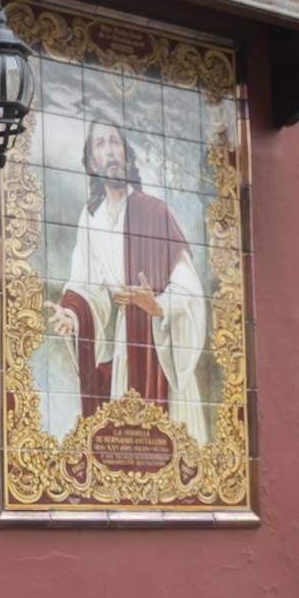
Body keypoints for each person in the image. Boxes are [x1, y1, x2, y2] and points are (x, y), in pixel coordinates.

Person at [44, 121, 209, 442]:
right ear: (92, 162)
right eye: (101, 145)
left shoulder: (155, 212)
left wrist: (158, 305)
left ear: (126, 154)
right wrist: (72, 315)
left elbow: (189, 285)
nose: (110, 152)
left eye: (115, 143)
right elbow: (87, 284)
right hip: (126, 343)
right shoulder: (91, 219)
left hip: (162, 344)